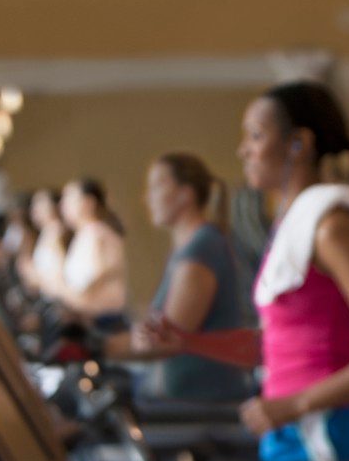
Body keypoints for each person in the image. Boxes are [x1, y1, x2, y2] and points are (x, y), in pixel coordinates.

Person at [144, 82, 349, 461]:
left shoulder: (330, 228)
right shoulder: (293, 227)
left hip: (323, 430)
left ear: (298, 145)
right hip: (290, 425)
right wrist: (188, 342)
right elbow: (275, 345)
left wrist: (293, 405)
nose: (243, 150)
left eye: (256, 136)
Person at [103, 153, 254, 402]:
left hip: (202, 402)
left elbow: (168, 339)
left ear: (186, 194)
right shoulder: (186, 248)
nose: (147, 197)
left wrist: (99, 347)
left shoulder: (203, 246)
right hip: (183, 395)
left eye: (156, 187)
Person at [53, 178, 127, 331]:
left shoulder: (97, 234)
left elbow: (88, 286)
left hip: (103, 321)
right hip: (95, 319)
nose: (63, 205)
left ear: (88, 202)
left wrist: (57, 286)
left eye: (69, 198)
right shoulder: (84, 234)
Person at [21, 189, 68, 297]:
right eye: (34, 204)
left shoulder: (60, 232)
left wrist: (34, 275)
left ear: (55, 206)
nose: (34, 209)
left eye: (40, 203)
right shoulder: (46, 232)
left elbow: (62, 276)